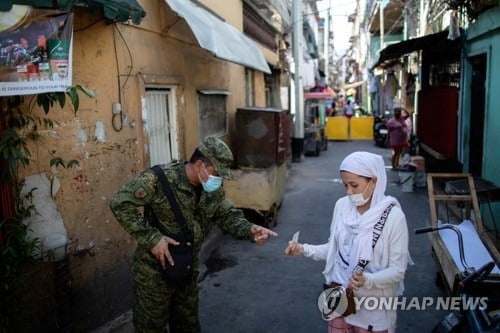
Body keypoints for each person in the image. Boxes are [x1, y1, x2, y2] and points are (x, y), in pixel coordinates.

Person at [110, 136, 278, 333]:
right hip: (153, 275)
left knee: (187, 326)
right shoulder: (158, 179)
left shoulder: (210, 189)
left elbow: (226, 215)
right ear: (200, 165)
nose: (219, 179)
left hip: (187, 271)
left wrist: (249, 229)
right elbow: (120, 203)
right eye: (217, 173)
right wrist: (152, 238)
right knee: (151, 328)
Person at [285, 152, 409, 333]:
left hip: (373, 312)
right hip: (340, 303)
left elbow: (397, 270)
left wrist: (369, 280)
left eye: (354, 185)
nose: (348, 192)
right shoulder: (342, 207)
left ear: (373, 181)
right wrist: (303, 249)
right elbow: (334, 250)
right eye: (345, 185)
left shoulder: (393, 217)